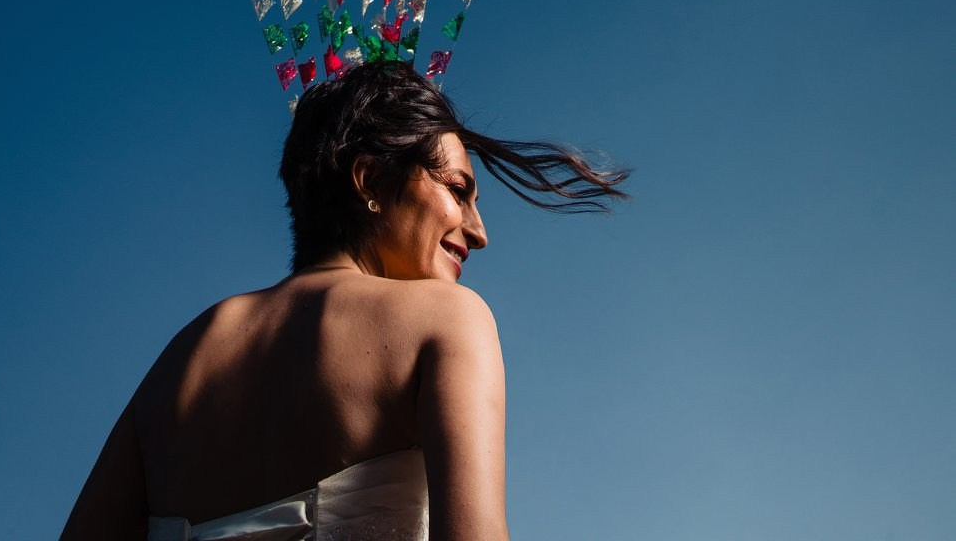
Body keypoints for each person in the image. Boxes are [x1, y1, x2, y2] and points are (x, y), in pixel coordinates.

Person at [59, 61, 628, 541]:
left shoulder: (184, 353)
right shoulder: (448, 319)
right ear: (368, 181)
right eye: (457, 190)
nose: (478, 231)